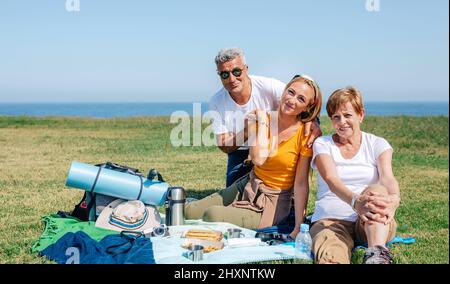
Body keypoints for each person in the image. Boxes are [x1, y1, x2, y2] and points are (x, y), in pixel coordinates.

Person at [186, 75, 322, 236]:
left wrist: (298, 226)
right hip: (250, 184)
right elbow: (257, 158)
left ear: (307, 107)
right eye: (290, 92)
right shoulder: (259, 119)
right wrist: (263, 122)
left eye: (301, 99)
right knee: (190, 212)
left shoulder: (305, 134)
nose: (292, 100)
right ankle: (164, 196)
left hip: (274, 199)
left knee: (212, 214)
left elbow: (300, 183)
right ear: (283, 91)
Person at [309, 87, 401, 264]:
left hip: (373, 221)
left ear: (361, 115)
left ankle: (377, 254)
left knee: (376, 191)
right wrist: (355, 202)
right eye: (336, 117)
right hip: (332, 220)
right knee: (331, 255)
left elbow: (387, 178)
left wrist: (394, 201)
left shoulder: (377, 144)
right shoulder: (323, 144)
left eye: (347, 115)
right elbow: (331, 179)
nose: (342, 122)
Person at [209, 47, 321, 187]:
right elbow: (224, 145)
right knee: (231, 193)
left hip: (276, 146)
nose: (232, 78)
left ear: (246, 69)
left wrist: (314, 121)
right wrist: (248, 130)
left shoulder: (270, 86)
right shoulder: (216, 102)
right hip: (242, 151)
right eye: (224, 74)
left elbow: (300, 100)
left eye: (236, 71)